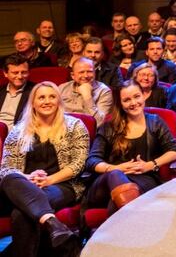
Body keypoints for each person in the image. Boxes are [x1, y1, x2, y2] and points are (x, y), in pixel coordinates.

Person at [0, 81, 89, 255]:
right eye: (41, 97)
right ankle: (52, 223)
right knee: (10, 178)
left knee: (21, 213)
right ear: (33, 102)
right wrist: (27, 178)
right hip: (25, 184)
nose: (46, 101)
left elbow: (79, 163)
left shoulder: (75, 126)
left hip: (63, 185)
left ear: (59, 101)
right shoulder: (18, 131)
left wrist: (49, 179)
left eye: (52, 97)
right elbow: (6, 169)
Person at [84, 80, 176, 215]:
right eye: (127, 100)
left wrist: (150, 165)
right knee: (116, 176)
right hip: (106, 182)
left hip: (144, 179)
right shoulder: (109, 127)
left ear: (144, 96)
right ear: (120, 104)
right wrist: (115, 168)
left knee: (117, 202)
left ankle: (122, 233)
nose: (133, 103)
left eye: (137, 96)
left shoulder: (155, 122)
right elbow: (92, 160)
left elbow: (174, 150)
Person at [58, 57, 113, 122]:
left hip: (88, 130)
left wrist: (87, 97)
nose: (86, 75)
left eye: (89, 71)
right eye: (81, 72)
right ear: (73, 75)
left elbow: (99, 122)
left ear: (95, 73)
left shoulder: (104, 91)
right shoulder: (62, 88)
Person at [0, 54, 33, 128]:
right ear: (5, 73)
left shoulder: (36, 91)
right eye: (15, 73)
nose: (20, 76)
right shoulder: (0, 91)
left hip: (19, 134)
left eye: (24, 72)